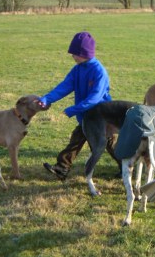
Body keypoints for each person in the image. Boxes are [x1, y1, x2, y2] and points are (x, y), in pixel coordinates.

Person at [39, 31, 113, 180]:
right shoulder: (77, 69)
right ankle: (62, 168)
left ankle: (126, 166)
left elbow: (95, 98)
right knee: (77, 138)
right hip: (86, 115)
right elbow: (64, 86)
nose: (72, 56)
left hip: (101, 116)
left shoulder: (99, 72)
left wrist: (74, 109)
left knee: (110, 143)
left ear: (84, 53)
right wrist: (47, 99)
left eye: (74, 53)